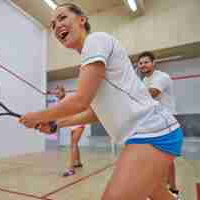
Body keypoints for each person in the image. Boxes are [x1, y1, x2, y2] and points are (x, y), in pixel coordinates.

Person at [19, 3, 183, 199]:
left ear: (82, 19)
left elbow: (80, 100)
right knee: (157, 193)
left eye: (62, 18)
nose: (56, 26)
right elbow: (95, 113)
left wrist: (36, 116)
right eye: (53, 24)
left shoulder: (95, 41)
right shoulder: (89, 60)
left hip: (153, 131)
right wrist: (56, 124)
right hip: (144, 133)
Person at [137, 51, 180, 199]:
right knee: (155, 159)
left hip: (166, 123)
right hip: (152, 124)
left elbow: (151, 94)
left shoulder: (161, 77)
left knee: (165, 160)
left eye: (146, 62)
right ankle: (159, 191)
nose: (143, 65)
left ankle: (172, 190)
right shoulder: (144, 81)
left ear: (153, 63)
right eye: (140, 63)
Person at [54, 85, 85, 177]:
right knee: (74, 144)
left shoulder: (68, 98)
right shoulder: (59, 101)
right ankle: (78, 163)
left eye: (58, 93)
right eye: (56, 94)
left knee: (73, 145)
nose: (57, 95)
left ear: (63, 91)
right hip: (72, 125)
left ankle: (71, 168)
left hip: (79, 123)